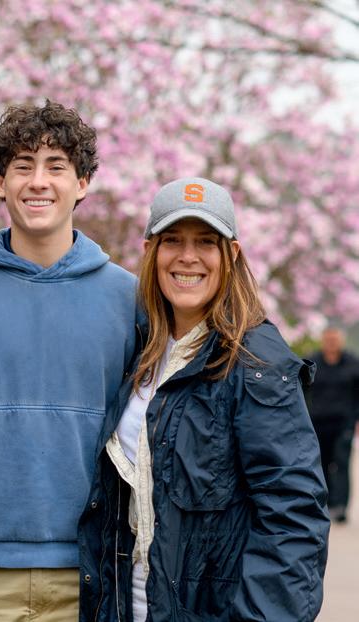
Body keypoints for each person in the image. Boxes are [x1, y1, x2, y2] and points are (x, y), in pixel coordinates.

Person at [79, 177, 330, 622]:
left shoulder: (257, 364)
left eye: (206, 242)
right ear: (150, 251)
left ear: (231, 254)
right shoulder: (138, 350)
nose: (188, 256)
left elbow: (293, 520)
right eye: (173, 240)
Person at [0, 101, 139, 621]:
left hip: (91, 565)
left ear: (83, 183)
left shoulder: (128, 298)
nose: (38, 182)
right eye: (23, 166)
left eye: (56, 166)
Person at [306, 326, 359, 523]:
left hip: (344, 423)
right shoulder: (312, 362)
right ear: (323, 341)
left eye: (335, 340)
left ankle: (340, 506)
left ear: (341, 341)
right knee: (322, 464)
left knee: (342, 463)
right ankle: (325, 503)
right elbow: (302, 391)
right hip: (317, 423)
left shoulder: (353, 363)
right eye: (328, 340)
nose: (331, 343)